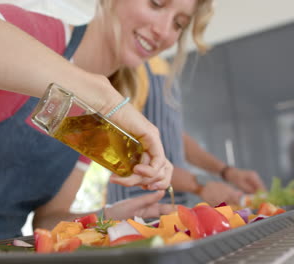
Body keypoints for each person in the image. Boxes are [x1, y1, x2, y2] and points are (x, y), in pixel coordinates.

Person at [0, 0, 214, 263]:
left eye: (179, 24)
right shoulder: (41, 37)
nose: (163, 30)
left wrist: (111, 218)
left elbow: (48, 222)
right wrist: (99, 93)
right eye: (156, 3)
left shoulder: (100, 112)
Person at [107, 56, 266, 207]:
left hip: (174, 199)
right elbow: (128, 153)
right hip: (136, 202)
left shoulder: (164, 69)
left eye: (177, 27)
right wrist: (201, 184)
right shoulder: (130, 69)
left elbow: (176, 136)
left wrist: (227, 172)